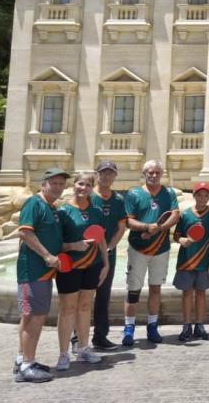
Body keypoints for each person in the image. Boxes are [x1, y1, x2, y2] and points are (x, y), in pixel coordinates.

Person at [13, 168, 83, 383]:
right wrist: (46, 256)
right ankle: (26, 365)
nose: (58, 187)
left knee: (30, 316)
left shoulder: (51, 208)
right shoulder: (34, 203)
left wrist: (72, 245)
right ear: (43, 184)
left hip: (42, 272)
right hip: (32, 271)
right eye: (53, 183)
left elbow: (52, 240)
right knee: (35, 318)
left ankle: (23, 360)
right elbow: (25, 232)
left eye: (61, 184)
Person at [54, 172, 109, 371]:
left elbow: (100, 238)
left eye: (87, 185)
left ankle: (84, 348)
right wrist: (72, 246)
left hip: (92, 265)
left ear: (91, 188)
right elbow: (54, 243)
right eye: (80, 184)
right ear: (74, 185)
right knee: (67, 309)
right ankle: (63, 354)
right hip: (69, 266)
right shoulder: (63, 211)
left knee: (85, 306)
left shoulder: (96, 211)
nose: (83, 188)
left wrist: (106, 263)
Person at [122, 159, 178, 346]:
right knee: (133, 290)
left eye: (157, 172)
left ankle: (152, 326)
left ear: (161, 174)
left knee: (155, 288)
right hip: (138, 248)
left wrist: (159, 228)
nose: (153, 175)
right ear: (144, 174)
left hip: (161, 249)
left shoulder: (169, 193)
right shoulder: (133, 194)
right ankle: (129, 328)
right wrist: (147, 226)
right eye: (150, 172)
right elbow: (129, 221)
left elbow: (175, 215)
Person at [88, 160, 126, 349]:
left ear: (115, 176)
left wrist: (110, 247)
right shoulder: (88, 196)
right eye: (104, 173)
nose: (107, 176)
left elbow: (121, 227)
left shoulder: (118, 200)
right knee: (83, 297)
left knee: (103, 297)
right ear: (97, 174)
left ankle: (100, 336)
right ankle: (77, 338)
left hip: (107, 255)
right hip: (87, 254)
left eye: (111, 173)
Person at [174, 182, 209, 342]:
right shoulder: (185, 215)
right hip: (186, 261)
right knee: (186, 293)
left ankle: (199, 325)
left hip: (204, 263)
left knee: (201, 294)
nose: (202, 198)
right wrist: (182, 239)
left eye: (206, 196)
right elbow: (176, 235)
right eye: (199, 195)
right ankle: (186, 326)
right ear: (194, 196)